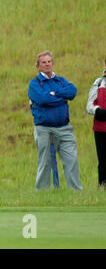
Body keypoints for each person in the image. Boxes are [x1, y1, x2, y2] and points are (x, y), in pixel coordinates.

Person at [28, 50, 83, 190]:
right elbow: (43, 99)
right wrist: (61, 98)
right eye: (43, 62)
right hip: (44, 129)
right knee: (45, 162)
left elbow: (73, 91)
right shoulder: (34, 84)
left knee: (71, 159)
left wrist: (55, 93)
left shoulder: (61, 80)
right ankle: (42, 193)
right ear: (38, 66)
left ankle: (76, 192)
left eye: (49, 62)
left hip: (64, 128)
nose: (47, 65)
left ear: (53, 63)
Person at [86, 57, 106, 188]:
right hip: (100, 129)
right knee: (103, 161)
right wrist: (97, 110)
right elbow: (89, 106)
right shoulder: (98, 82)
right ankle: (103, 188)